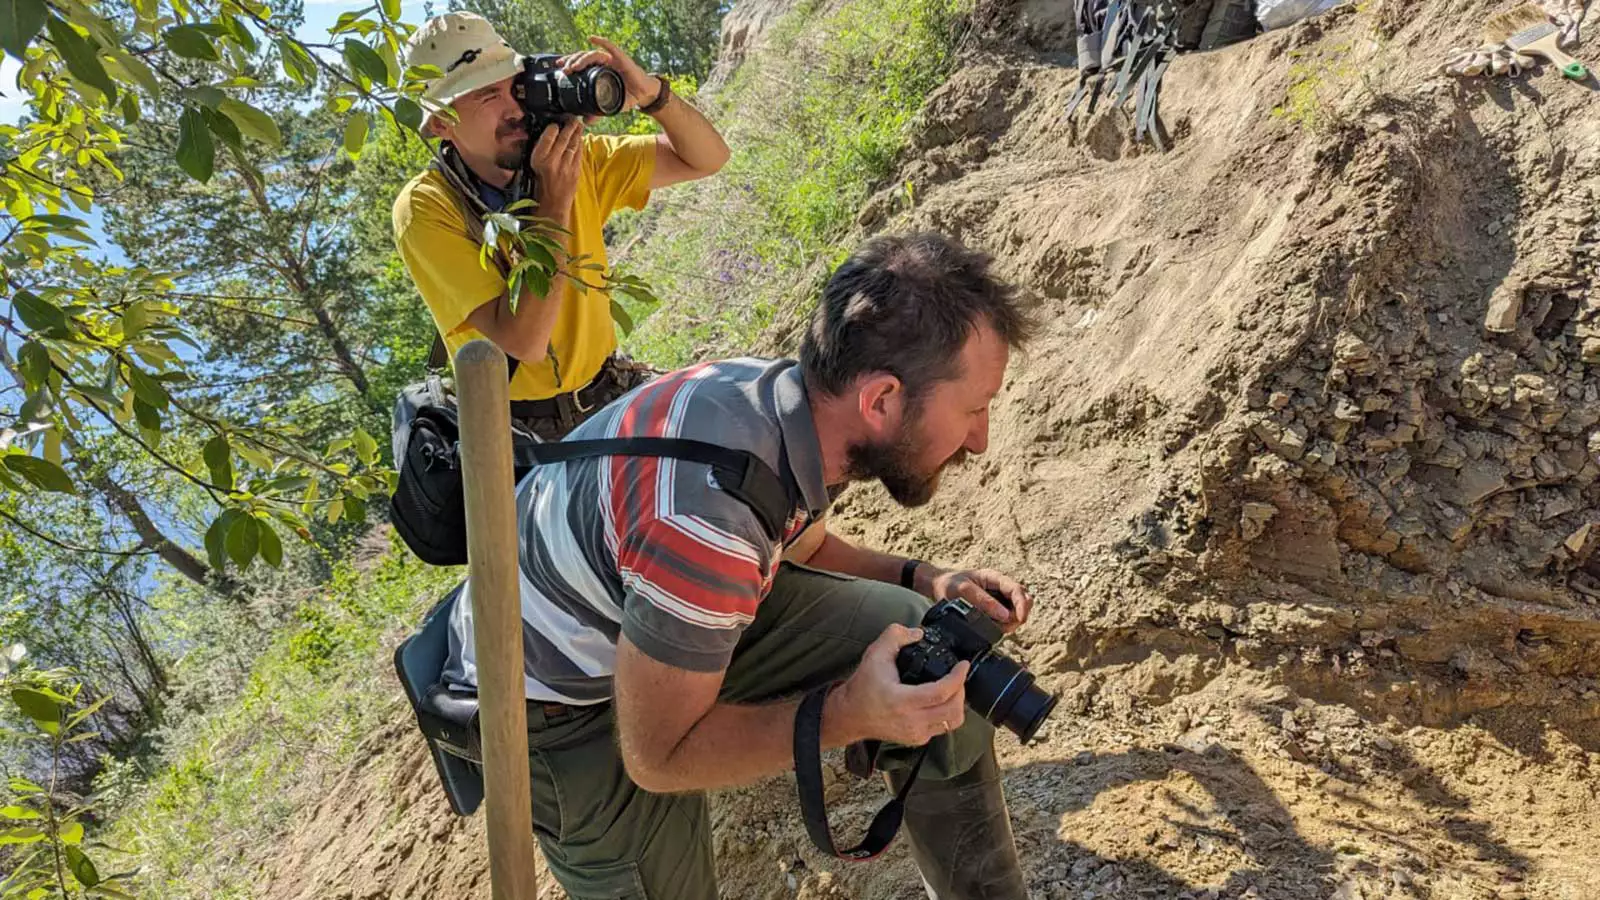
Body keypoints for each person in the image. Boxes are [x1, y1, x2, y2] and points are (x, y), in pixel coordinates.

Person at [440, 231, 1039, 899]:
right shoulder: (708, 525)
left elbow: (796, 543)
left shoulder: (785, 407)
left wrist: (924, 580)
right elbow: (659, 756)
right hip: (552, 697)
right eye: (974, 410)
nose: (981, 441)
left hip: (657, 605)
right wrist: (849, 712)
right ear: (880, 400)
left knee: (930, 646)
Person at [392, 12, 730, 440]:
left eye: (514, 87)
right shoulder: (426, 207)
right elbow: (525, 342)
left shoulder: (573, 161)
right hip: (520, 430)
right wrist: (555, 202)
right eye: (487, 96)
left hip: (607, 390)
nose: (514, 108)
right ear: (441, 122)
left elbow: (707, 158)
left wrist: (652, 95)